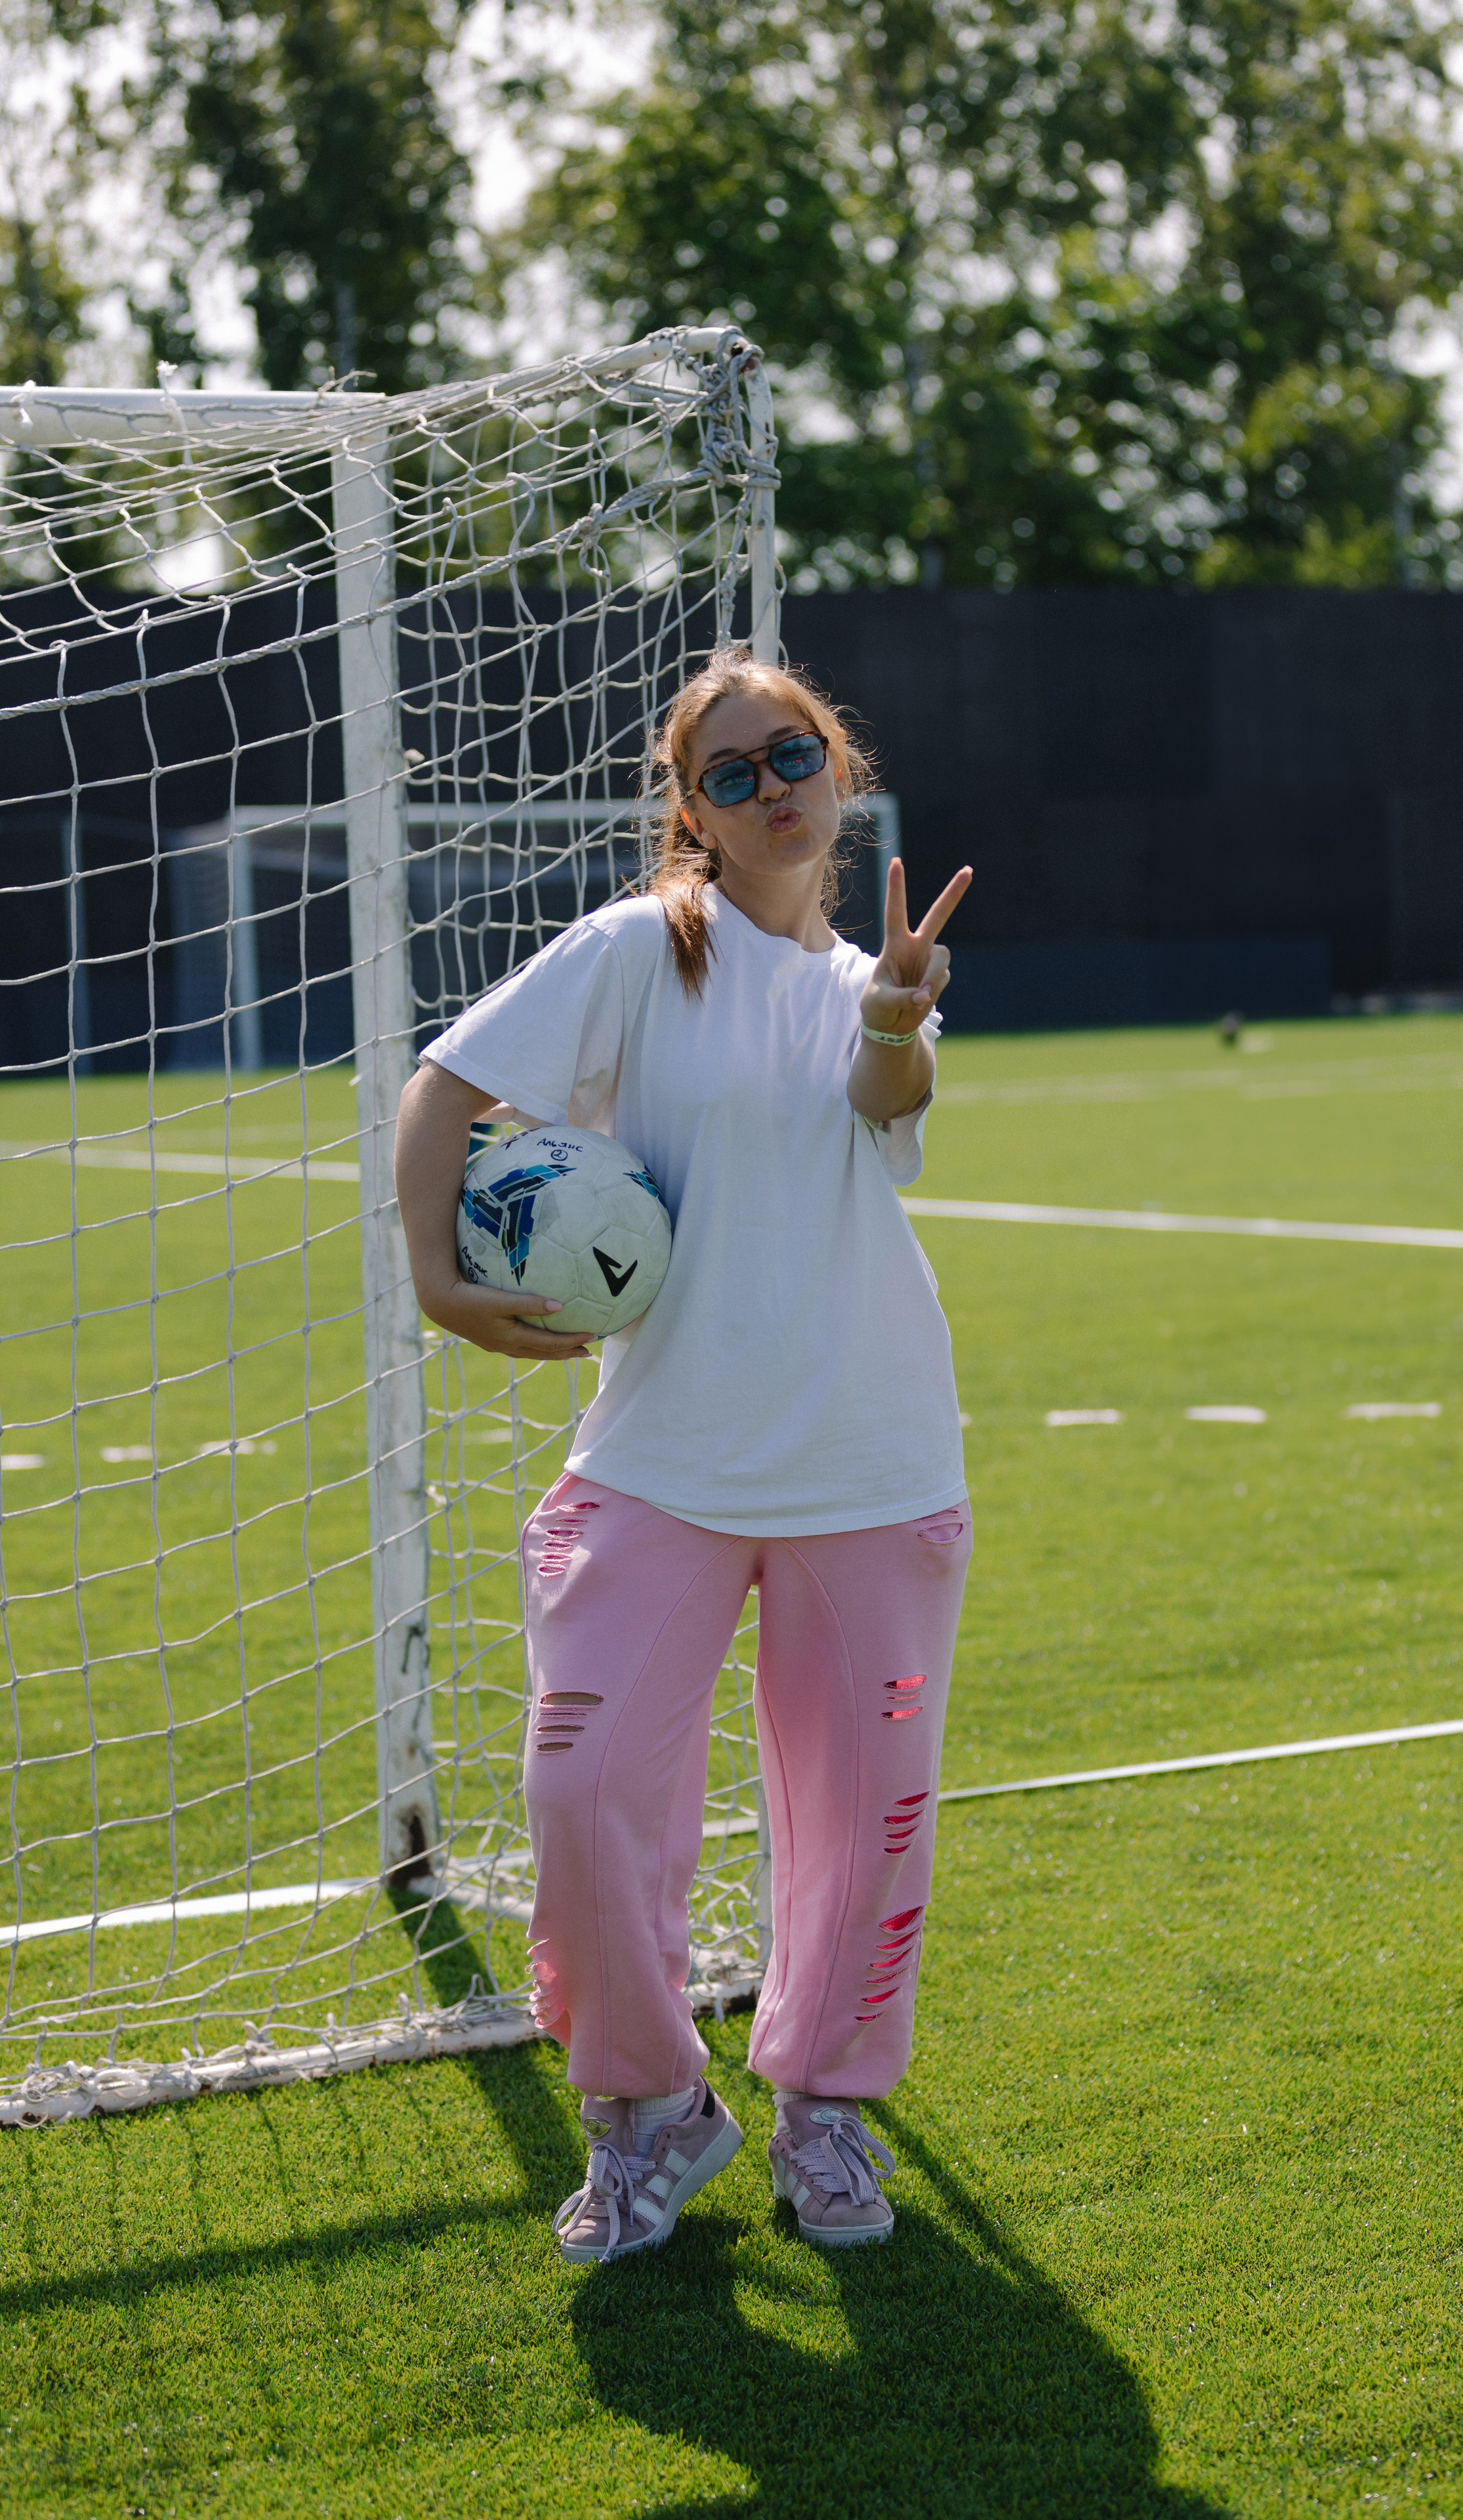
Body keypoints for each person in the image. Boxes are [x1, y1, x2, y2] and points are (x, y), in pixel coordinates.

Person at [394, 647, 973, 2263]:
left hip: (873, 1461)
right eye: (727, 772)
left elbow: (883, 1092)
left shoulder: (878, 980)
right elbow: (445, 1088)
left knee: (865, 1826)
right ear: (691, 814)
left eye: (789, 754)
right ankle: (650, 2108)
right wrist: (437, 1275)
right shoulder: (643, 954)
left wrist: (898, 1015)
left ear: (833, 769)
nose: (768, 786)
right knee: (579, 1789)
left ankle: (824, 2110)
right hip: (658, 1458)